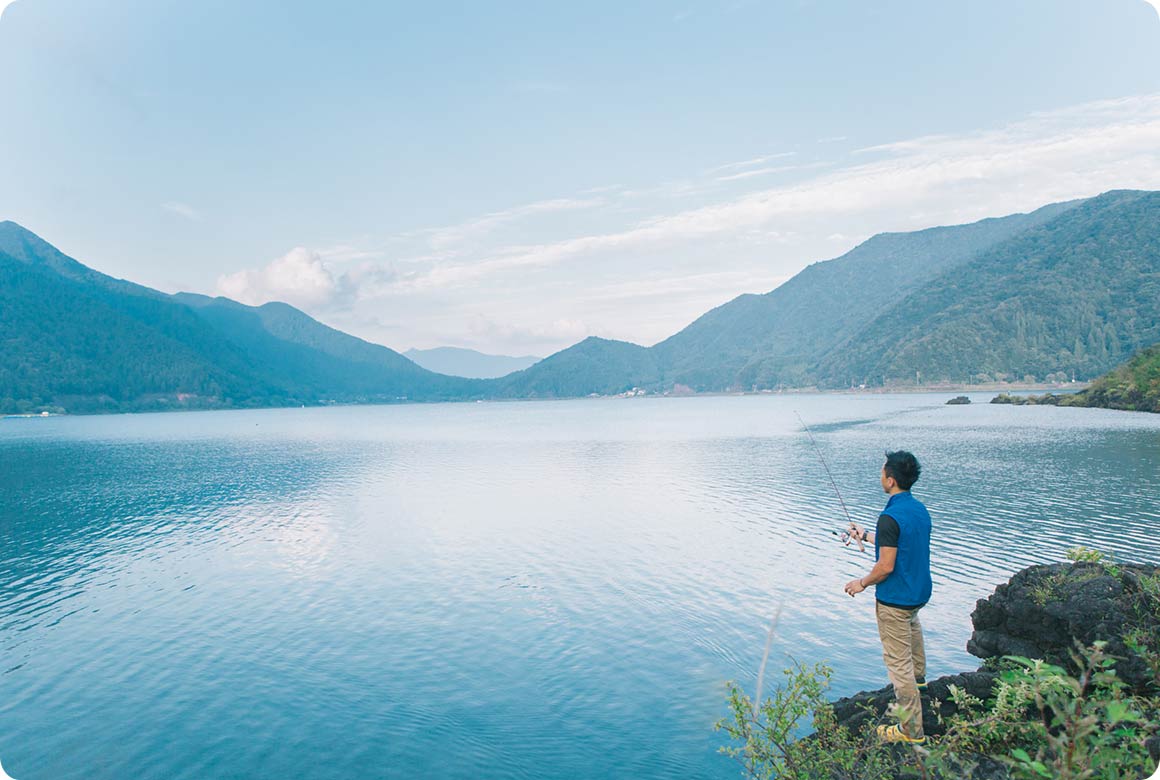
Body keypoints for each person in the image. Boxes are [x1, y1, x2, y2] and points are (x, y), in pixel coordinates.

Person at [842, 450, 932, 744]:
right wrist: (865, 534)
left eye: (882, 472)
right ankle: (921, 682)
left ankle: (911, 731)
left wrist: (862, 583)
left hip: (895, 599)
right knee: (913, 629)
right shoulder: (918, 509)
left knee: (898, 665)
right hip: (917, 594)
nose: (880, 476)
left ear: (890, 480)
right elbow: (897, 542)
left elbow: (885, 566)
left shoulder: (890, 517)